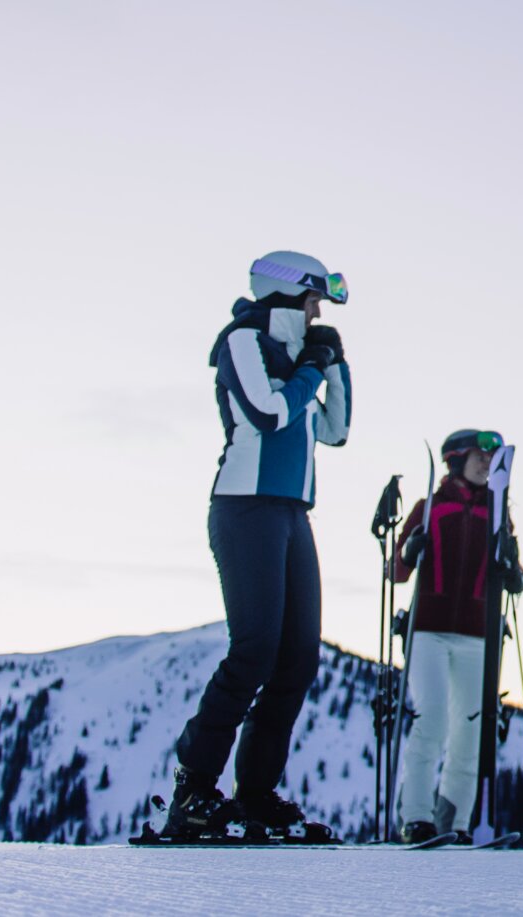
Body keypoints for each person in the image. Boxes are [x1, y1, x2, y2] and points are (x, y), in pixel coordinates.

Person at [166, 251, 352, 841]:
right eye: (314, 299)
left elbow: (336, 430)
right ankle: (193, 789)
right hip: (244, 509)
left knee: (298, 656)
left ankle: (254, 795)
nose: (318, 310)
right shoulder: (242, 341)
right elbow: (268, 414)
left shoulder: (300, 358)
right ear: (289, 294)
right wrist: (312, 370)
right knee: (254, 649)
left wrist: (334, 364)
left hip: (293, 515)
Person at [389, 430, 523, 844]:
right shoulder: (428, 508)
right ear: (455, 459)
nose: (487, 464)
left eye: (491, 458)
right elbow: (395, 572)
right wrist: (410, 551)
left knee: (470, 731)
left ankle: (456, 822)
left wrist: (512, 569)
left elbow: (518, 580)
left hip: (475, 636)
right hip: (427, 631)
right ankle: (416, 818)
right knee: (431, 718)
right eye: (479, 456)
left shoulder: (498, 514)